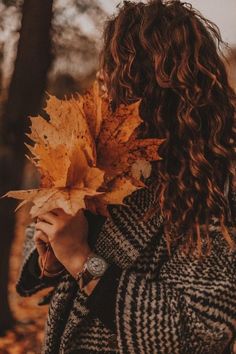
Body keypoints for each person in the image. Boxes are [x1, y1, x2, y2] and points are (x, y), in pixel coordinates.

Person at [17, 1, 236, 353]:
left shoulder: (208, 181)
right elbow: (41, 245)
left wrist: (81, 260)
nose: (101, 84)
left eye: (115, 74)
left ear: (156, 87)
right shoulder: (94, 151)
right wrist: (51, 259)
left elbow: (202, 330)